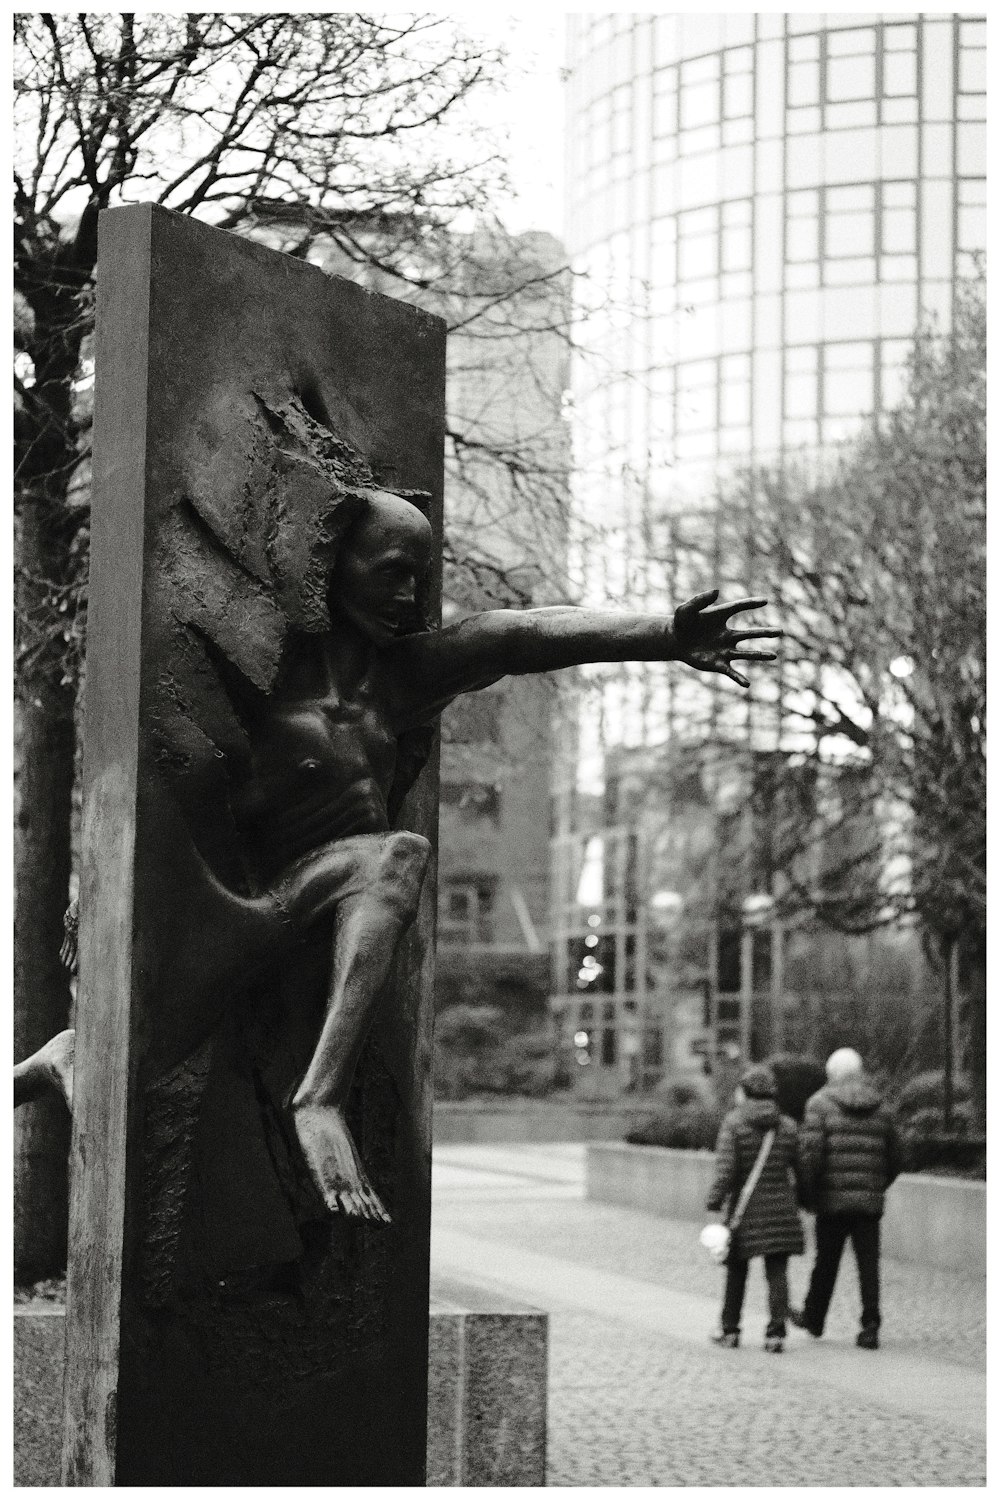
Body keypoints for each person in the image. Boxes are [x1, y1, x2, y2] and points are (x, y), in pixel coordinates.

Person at [20, 489, 781, 1227]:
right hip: (244, 913)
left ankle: (317, 1097)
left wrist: (664, 637)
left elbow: (517, 635)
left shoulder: (401, 680)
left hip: (327, 916)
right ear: (333, 562)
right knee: (129, 1075)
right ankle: (68, 1055)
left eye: (418, 575)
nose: (408, 595)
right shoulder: (260, 683)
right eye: (391, 571)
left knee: (394, 856)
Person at [791, 1047, 905, 1350]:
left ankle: (814, 1318)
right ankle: (870, 1325)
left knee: (825, 1261)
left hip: (831, 1200)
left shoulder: (819, 1103)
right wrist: (877, 1185)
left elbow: (810, 1156)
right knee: (869, 1264)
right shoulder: (882, 1106)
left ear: (831, 1074)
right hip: (868, 1201)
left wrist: (808, 1194)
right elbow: (896, 1157)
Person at [706, 1062, 804, 1353]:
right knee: (777, 1271)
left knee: (736, 1270)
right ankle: (775, 1335)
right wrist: (806, 1200)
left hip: (744, 1211)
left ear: (744, 1093)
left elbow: (726, 1170)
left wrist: (714, 1202)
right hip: (780, 1209)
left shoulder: (734, 1123)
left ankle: (730, 1330)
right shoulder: (787, 1126)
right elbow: (801, 1168)